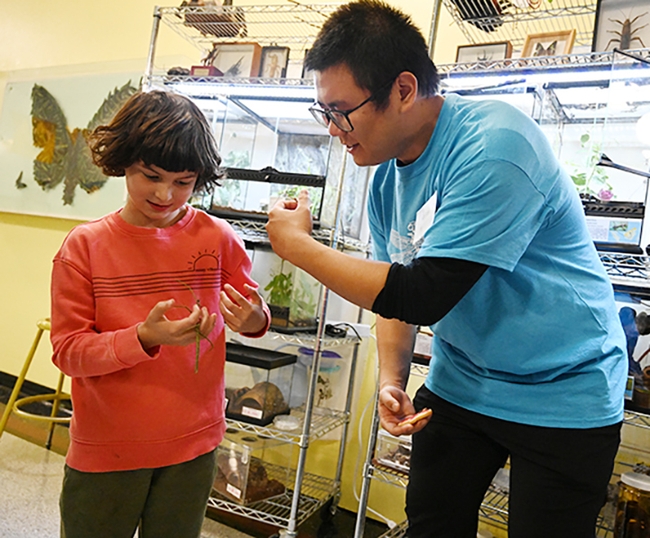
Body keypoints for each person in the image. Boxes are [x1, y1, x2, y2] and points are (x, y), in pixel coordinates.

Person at [265, 1, 628, 537]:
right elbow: (392, 285)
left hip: (563, 389)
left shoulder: (495, 147)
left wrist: (297, 247)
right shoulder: (387, 174)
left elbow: (421, 294)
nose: (334, 128)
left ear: (404, 90)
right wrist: (393, 378)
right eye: (325, 112)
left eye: (343, 110)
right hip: (463, 381)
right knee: (432, 524)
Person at [50, 90, 270, 538]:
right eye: (151, 175)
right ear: (124, 161)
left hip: (193, 447)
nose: (165, 193)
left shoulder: (220, 239)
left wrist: (253, 320)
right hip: (107, 449)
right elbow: (69, 352)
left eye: (183, 181)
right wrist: (143, 338)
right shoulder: (84, 247)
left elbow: (254, 312)